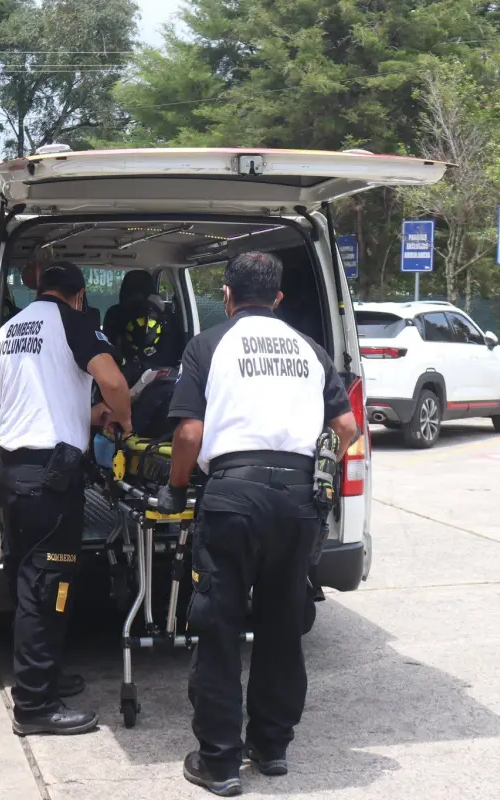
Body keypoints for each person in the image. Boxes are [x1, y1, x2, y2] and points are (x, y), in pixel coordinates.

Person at [156, 251, 358, 796]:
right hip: (298, 506)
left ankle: (219, 762)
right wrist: (316, 472)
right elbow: (346, 427)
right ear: (279, 299)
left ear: (225, 294)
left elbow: (191, 436)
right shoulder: (311, 350)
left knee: (219, 626)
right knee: (281, 626)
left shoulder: (209, 346)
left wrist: (176, 488)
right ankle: (271, 747)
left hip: (233, 498)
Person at [0, 259, 133, 736]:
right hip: (51, 479)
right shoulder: (75, 323)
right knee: (48, 588)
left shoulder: (10, 329)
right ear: (77, 297)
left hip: (14, 471)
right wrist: (124, 418)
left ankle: (41, 675)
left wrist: (94, 415)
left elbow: (43, 399)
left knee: (28, 584)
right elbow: (114, 383)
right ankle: (34, 707)